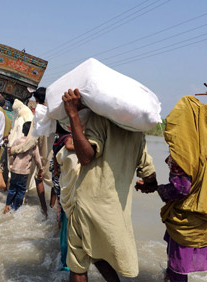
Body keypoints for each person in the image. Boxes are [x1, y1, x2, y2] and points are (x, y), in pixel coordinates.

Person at [61, 89, 157, 282]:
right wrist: (148, 186)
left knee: (78, 264)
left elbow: (86, 156)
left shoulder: (101, 119)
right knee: (97, 254)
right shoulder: (138, 132)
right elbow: (150, 175)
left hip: (88, 206)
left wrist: (73, 114)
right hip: (115, 210)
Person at [135, 95, 207, 282]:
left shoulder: (184, 153)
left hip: (187, 218)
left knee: (177, 270)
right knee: (179, 270)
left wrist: (157, 189)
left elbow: (181, 189)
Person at [9, 87, 54, 217]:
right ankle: (52, 208)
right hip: (53, 154)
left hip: (39, 153)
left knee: (37, 178)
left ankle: (44, 210)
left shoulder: (38, 116)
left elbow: (31, 140)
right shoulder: (53, 114)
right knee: (54, 183)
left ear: (36, 99)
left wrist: (14, 150)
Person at [50, 122, 74, 271]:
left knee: (64, 221)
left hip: (59, 185)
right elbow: (71, 147)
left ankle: (63, 259)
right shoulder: (67, 139)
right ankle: (65, 263)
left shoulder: (57, 140)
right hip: (66, 187)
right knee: (67, 226)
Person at [4, 122, 43, 213]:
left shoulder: (17, 141)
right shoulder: (33, 144)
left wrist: (11, 165)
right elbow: (37, 158)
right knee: (21, 190)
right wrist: (40, 169)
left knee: (12, 188)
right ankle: (16, 209)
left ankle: (7, 206)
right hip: (24, 171)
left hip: (14, 169)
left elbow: (10, 154)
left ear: (22, 130)